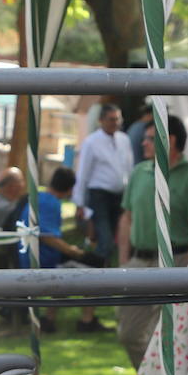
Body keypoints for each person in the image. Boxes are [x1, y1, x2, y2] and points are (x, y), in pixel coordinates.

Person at [116, 115, 188, 368]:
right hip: (137, 262)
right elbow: (126, 219)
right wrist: (124, 261)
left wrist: (187, 272)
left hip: (174, 263)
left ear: (171, 141)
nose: (143, 143)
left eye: (149, 138)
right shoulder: (139, 172)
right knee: (129, 334)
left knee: (168, 336)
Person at [17, 167, 104, 333]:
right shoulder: (51, 203)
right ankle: (87, 321)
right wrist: (74, 252)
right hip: (42, 263)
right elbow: (47, 236)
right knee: (95, 271)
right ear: (70, 189)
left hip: (30, 258)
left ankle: (49, 319)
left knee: (70, 267)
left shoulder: (37, 197)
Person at [72, 103, 134, 266]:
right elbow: (83, 173)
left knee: (113, 238)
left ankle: (102, 271)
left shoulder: (124, 139)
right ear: (101, 120)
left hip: (119, 195)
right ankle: (93, 271)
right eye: (111, 119)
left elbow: (128, 167)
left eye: (117, 119)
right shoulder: (91, 142)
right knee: (105, 239)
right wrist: (79, 203)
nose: (115, 123)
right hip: (99, 195)